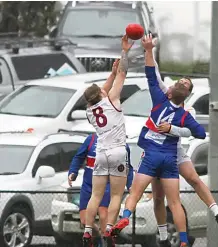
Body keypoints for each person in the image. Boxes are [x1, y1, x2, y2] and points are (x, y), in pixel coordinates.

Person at [111, 34, 206, 247]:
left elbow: (151, 75)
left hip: (152, 156)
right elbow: (200, 133)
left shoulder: (158, 101)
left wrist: (148, 50)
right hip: (170, 160)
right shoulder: (185, 114)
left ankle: (125, 216)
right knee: (174, 202)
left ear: (170, 93)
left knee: (135, 193)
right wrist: (177, 130)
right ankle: (182, 240)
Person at [150, 42, 218, 246]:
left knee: (194, 180)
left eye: (186, 83)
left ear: (188, 93)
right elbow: (154, 76)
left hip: (175, 153)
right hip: (158, 153)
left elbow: (192, 132)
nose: (182, 83)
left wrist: (172, 129)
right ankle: (164, 236)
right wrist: (149, 51)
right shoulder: (165, 96)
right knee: (158, 199)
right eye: (181, 81)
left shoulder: (188, 112)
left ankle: (216, 212)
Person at [82, 35, 133, 247]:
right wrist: (124, 52)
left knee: (95, 195)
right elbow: (123, 72)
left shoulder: (89, 111)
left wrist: (110, 75)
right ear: (102, 93)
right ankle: (110, 227)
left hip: (100, 153)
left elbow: (101, 91)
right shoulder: (113, 100)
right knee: (116, 195)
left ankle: (87, 231)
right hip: (119, 151)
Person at [68, 133, 134, 245]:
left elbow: (128, 167)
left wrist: (130, 184)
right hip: (88, 185)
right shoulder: (92, 139)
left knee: (104, 216)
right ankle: (97, 235)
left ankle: (108, 240)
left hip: (106, 184)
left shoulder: (121, 143)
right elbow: (78, 157)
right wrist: (72, 172)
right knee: (84, 221)